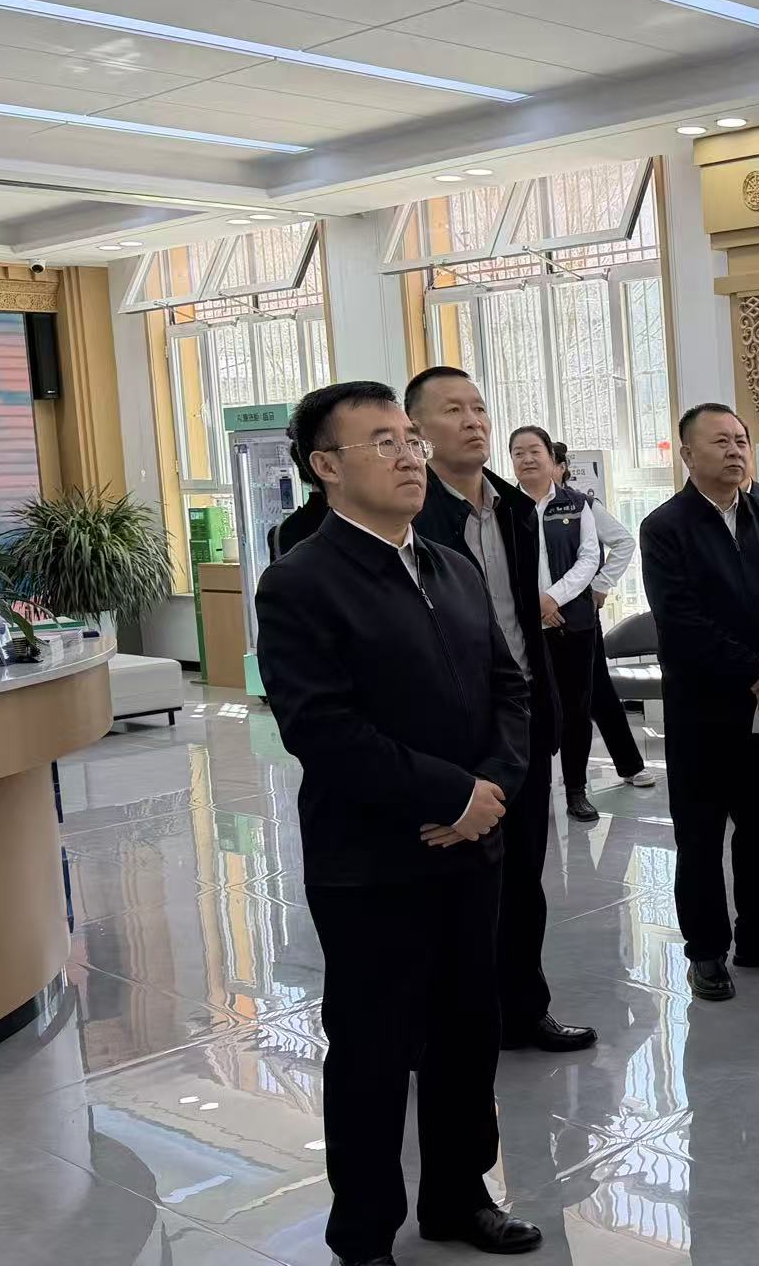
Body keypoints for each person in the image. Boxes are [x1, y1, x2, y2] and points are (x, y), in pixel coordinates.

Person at [256, 381, 543, 1266]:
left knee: (466, 1033)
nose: (410, 454)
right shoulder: (299, 582)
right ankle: (364, 1232)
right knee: (374, 1050)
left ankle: (458, 1196)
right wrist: (447, 796)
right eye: (382, 441)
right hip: (372, 861)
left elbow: (509, 689)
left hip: (472, 849)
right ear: (326, 466)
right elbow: (322, 728)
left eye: (410, 438)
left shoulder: (451, 567)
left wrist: (487, 792)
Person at [406, 365, 600, 1053]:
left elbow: (522, 615)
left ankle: (523, 1009)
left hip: (520, 719)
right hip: (451, 730)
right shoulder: (413, 515)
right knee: (453, 886)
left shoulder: (515, 508)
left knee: (522, 879)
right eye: (452, 409)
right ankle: (450, 1027)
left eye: (479, 407)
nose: (473, 421)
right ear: (417, 431)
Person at [640, 403, 759, 1001]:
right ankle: (707, 950)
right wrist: (750, 667)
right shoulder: (665, 526)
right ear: (688, 454)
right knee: (701, 833)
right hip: (703, 707)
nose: (737, 450)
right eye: (721, 441)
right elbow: (679, 620)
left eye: (742, 440)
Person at [508, 428, 659, 792]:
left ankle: (601, 775)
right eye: (518, 453)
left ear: (556, 464)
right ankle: (614, 767)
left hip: (575, 619)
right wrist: (539, 604)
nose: (528, 460)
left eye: (538, 453)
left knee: (589, 697)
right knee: (573, 698)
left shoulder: (580, 505)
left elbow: (603, 551)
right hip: (532, 621)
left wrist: (596, 587)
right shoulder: (508, 506)